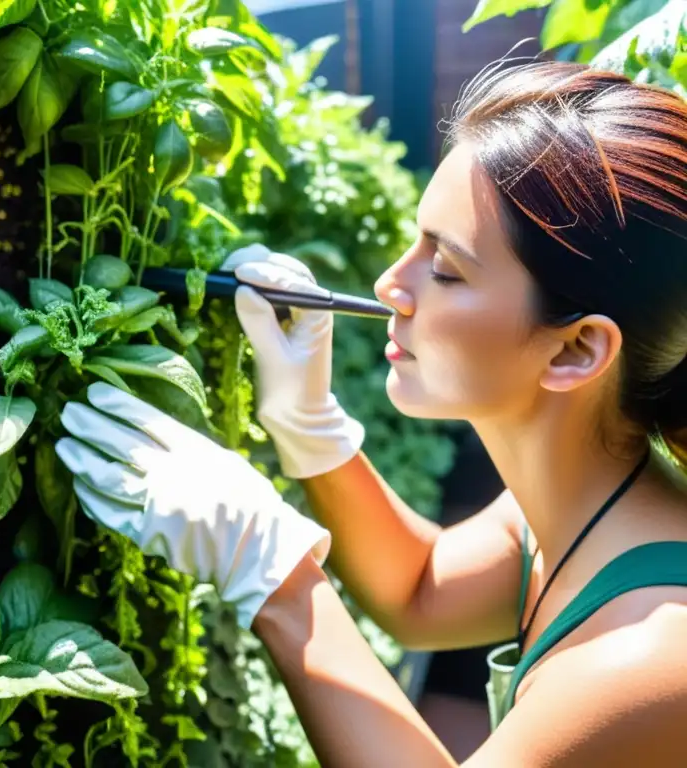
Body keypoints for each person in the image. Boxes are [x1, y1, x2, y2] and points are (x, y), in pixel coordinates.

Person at [55, 59, 687, 766]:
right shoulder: (580, 509)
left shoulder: (651, 655)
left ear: (575, 349)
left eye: (445, 270)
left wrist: (275, 575)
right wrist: (309, 423)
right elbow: (419, 590)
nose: (392, 284)